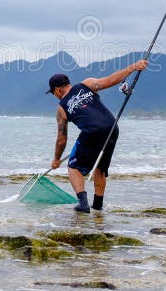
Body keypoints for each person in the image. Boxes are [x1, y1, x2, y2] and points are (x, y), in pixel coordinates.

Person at [46, 59, 148, 213]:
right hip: (112, 127)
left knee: (73, 167)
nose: (54, 96)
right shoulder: (87, 84)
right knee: (100, 167)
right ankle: (98, 205)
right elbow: (110, 80)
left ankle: (83, 204)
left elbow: (61, 139)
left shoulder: (61, 109)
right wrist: (133, 67)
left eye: (53, 93)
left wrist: (56, 159)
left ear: (57, 90)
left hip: (92, 132)